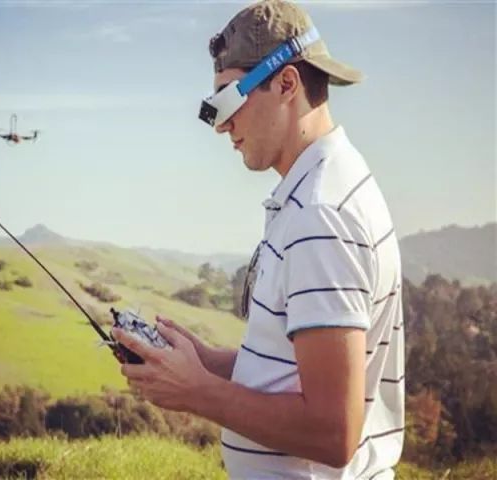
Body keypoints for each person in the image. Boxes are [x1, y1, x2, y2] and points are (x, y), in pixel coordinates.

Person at [112, 0, 405, 478]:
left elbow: (333, 433)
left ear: (286, 84)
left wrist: (198, 393)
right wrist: (207, 364)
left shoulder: (320, 214)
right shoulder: (318, 189)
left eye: (227, 102)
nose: (221, 126)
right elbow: (294, 372)